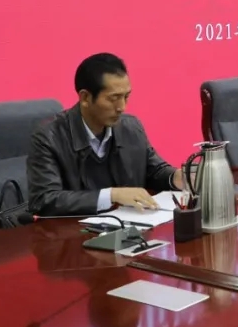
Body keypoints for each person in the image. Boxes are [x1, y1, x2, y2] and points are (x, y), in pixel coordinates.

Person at [27, 53, 182, 216]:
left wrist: (176, 177)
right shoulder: (49, 137)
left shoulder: (130, 127)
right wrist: (111, 195)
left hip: (128, 225)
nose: (122, 107)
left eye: (126, 97)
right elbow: (44, 200)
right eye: (113, 98)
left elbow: (154, 172)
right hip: (74, 229)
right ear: (85, 97)